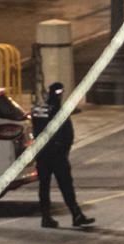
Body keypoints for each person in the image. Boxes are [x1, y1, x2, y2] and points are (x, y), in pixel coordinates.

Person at [31, 81, 94, 229]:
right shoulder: (60, 112)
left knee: (44, 186)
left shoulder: (38, 110)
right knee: (66, 186)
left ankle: (46, 217)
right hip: (57, 155)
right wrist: (64, 151)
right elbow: (68, 135)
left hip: (42, 153)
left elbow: (34, 128)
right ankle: (76, 214)